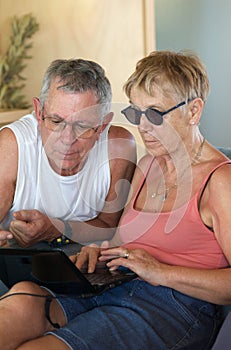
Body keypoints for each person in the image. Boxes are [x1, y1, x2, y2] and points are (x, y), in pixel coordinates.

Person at [0, 50, 231, 350]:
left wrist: (160, 272)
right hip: (117, 284)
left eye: (155, 113)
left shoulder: (220, 181)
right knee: (20, 305)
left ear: (194, 110)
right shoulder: (148, 166)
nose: (144, 127)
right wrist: (98, 254)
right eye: (136, 113)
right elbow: (121, 238)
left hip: (170, 306)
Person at [0, 58, 136, 248]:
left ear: (103, 125)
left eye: (82, 126)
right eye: (56, 121)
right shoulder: (13, 144)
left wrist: (57, 229)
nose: (67, 139)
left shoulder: (119, 147)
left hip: (84, 266)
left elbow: (108, 226)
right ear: (39, 112)